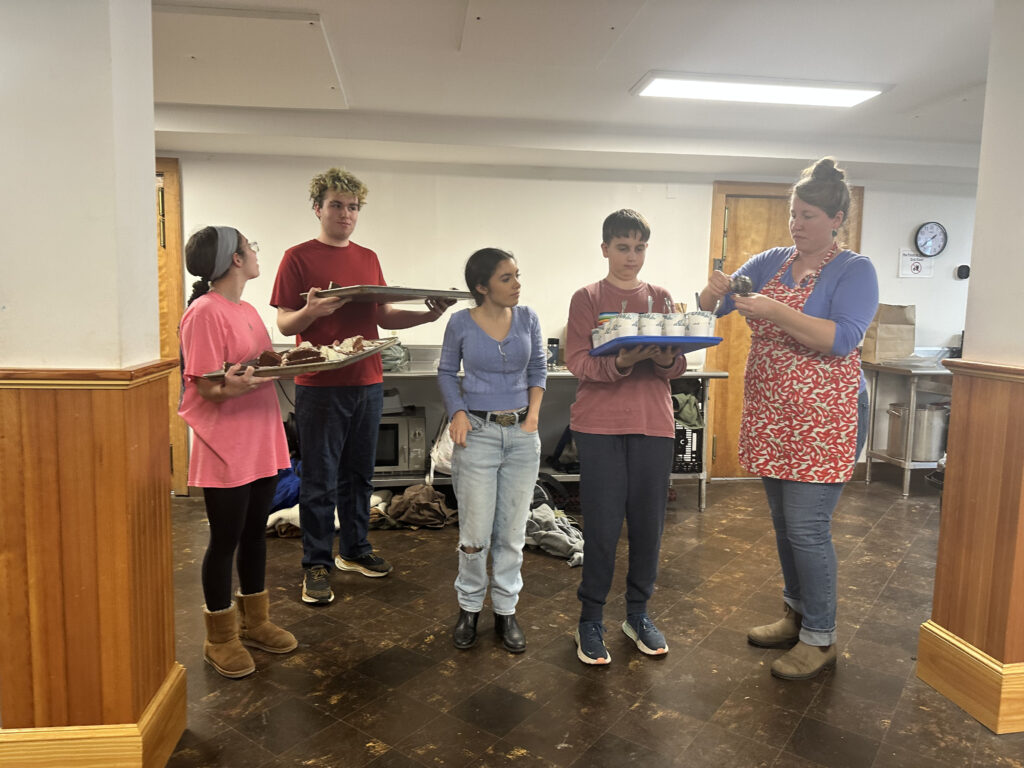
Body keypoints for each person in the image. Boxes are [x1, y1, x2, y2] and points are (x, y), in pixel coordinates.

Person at [698, 157, 879, 680]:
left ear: (837, 219)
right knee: (784, 526)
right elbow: (714, 307)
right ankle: (796, 615)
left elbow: (842, 338)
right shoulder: (772, 261)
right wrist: (712, 291)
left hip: (824, 417)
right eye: (794, 214)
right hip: (773, 413)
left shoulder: (854, 270)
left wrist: (774, 310)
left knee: (808, 528)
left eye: (809, 216)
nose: (797, 224)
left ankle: (821, 638)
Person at [270, 168, 451, 605]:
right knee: (319, 478)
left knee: (359, 475)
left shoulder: (368, 257)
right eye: (336, 205)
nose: (346, 214)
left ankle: (354, 550)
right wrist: (311, 312)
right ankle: (316, 563)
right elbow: (285, 323)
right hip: (319, 385)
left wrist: (429, 314)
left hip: (367, 381)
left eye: (353, 207)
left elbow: (383, 316)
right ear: (318, 208)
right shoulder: (297, 257)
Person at [565, 209, 686, 665]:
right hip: (599, 427)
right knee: (601, 526)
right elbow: (578, 362)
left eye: (639, 247)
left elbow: (677, 365)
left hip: (653, 425)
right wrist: (622, 361)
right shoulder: (587, 298)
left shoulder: (662, 298)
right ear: (605, 249)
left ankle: (638, 614)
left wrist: (664, 357)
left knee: (648, 526)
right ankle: (590, 619)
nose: (631, 256)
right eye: (622, 247)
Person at [178, 226, 297, 679]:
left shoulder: (246, 309)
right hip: (226, 443)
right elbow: (207, 387)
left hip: (260, 436)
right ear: (235, 258)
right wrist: (232, 385)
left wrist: (298, 360)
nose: (255, 253)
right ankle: (220, 637)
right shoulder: (204, 312)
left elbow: (261, 364)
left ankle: (256, 622)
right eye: (250, 247)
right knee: (225, 540)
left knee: (254, 535)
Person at [437, 249, 546, 653]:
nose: (517, 284)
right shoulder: (460, 322)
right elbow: (446, 372)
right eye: (506, 278)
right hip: (477, 434)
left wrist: (532, 417)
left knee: (512, 533)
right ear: (482, 287)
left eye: (517, 275)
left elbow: (538, 368)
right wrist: (458, 413)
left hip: (521, 435)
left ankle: (505, 609)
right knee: (475, 534)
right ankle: (469, 607)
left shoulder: (528, 318)